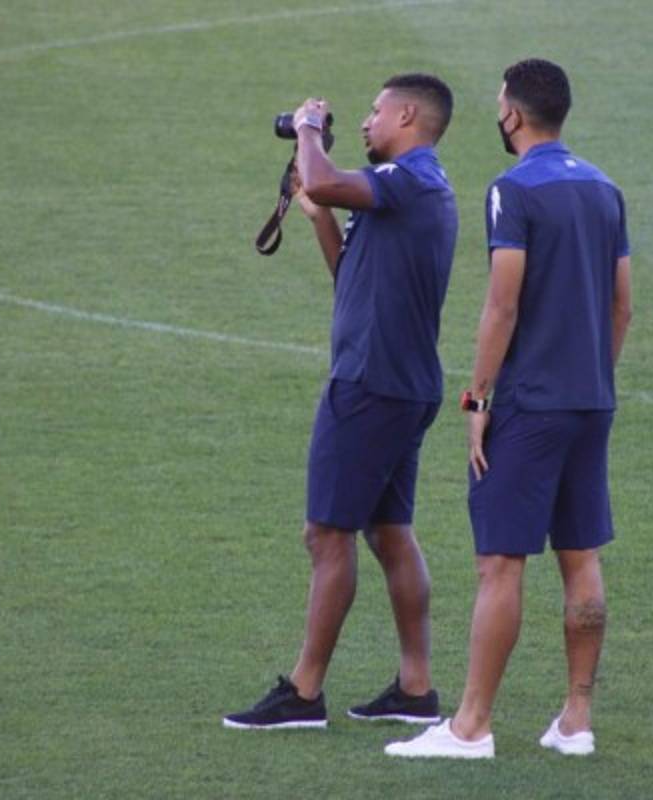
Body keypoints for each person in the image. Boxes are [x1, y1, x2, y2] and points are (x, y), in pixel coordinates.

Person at [386, 58, 633, 759]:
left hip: (530, 405)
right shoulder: (606, 190)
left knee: (501, 563)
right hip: (591, 402)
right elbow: (623, 306)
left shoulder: (513, 190)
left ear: (514, 115)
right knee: (581, 557)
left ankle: (470, 727)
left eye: (499, 104)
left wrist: (477, 398)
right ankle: (576, 720)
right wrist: (593, 379)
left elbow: (502, 303)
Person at [223, 74, 459, 730]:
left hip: (370, 385)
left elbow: (326, 176)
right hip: (402, 383)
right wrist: (318, 214)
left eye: (374, 111)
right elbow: (349, 275)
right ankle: (416, 688)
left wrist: (305, 127)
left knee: (327, 534)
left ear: (408, 114)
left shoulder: (408, 181)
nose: (362, 123)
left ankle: (303, 693)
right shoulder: (409, 191)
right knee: (388, 532)